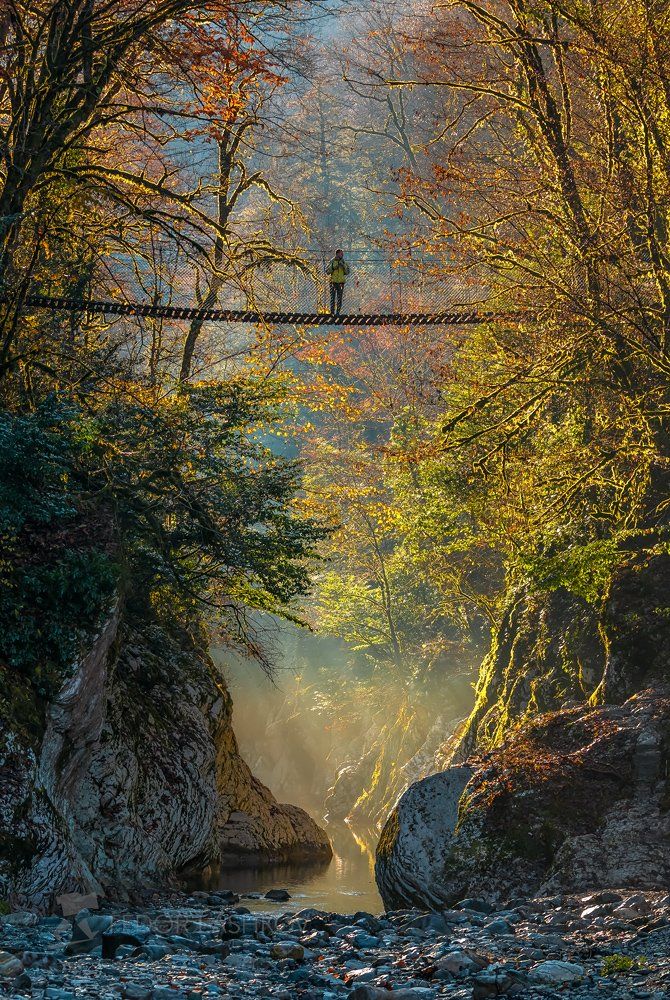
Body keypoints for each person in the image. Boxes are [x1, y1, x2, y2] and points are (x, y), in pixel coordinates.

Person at [328, 249, 350, 314]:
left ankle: (338, 313)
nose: (342, 255)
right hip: (333, 282)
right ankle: (332, 313)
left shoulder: (344, 262)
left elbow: (347, 272)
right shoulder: (332, 261)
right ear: (337, 254)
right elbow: (327, 271)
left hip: (341, 283)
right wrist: (335, 266)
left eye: (342, 254)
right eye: (341, 254)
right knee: (332, 298)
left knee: (339, 299)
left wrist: (343, 266)